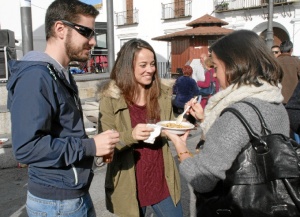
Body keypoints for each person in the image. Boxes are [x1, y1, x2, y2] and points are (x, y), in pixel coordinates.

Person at [6, 1, 119, 216]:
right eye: (86, 32)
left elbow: (64, 131)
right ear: (60, 29)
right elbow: (26, 148)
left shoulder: (60, 72)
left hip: (73, 194)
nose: (93, 41)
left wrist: (94, 147)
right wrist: (90, 147)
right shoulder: (36, 76)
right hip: (56, 203)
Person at [163, 30, 288, 215]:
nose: (214, 75)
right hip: (273, 202)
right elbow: (241, 140)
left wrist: (180, 145)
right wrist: (205, 119)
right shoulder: (275, 100)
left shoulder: (236, 115)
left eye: (216, 68)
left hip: (238, 206)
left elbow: (202, 180)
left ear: (234, 66)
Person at [97, 38, 182, 217]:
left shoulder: (162, 93)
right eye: (143, 65)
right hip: (129, 184)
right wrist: (131, 135)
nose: (150, 69)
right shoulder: (110, 99)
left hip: (162, 179)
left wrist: (186, 117)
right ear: (128, 67)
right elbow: (105, 148)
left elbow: (170, 126)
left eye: (152, 64)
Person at [277, 40, 300, 104]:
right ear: (291, 50)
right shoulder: (296, 61)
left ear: (280, 50)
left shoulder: (274, 62)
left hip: (278, 98)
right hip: (294, 99)